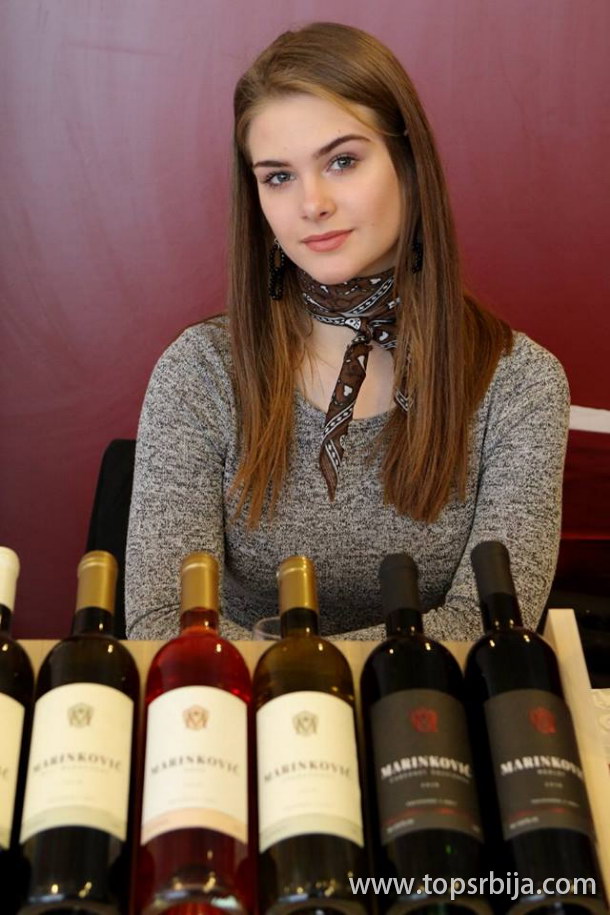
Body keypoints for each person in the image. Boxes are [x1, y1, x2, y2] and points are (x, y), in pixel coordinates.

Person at [125, 22, 569, 642]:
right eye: (278, 176)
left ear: (409, 164)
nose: (312, 204)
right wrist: (304, 682)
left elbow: (489, 624)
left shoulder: (521, 384)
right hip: (237, 701)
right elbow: (160, 622)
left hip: (427, 701)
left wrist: (310, 666)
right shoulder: (199, 369)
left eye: (342, 161)